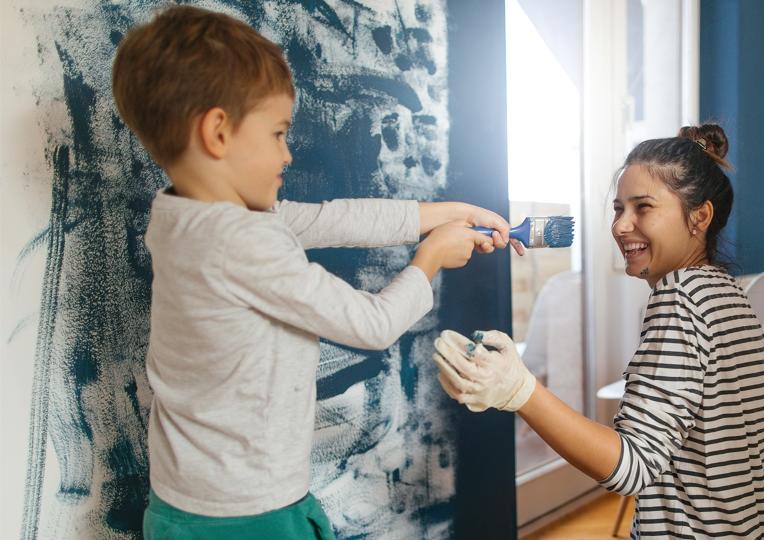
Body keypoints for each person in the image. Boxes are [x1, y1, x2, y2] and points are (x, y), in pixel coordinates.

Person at [111, 5, 516, 539]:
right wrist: (432, 258)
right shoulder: (243, 241)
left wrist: (442, 214)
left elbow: (332, 219)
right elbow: (370, 324)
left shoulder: (184, 219)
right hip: (248, 516)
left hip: (185, 501)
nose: (287, 154)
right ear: (218, 132)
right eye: (278, 133)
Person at [434, 125, 764, 539]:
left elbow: (632, 466)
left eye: (643, 208)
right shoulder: (727, 292)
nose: (621, 225)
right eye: (619, 208)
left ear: (700, 216)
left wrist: (519, 391)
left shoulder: (679, 299)